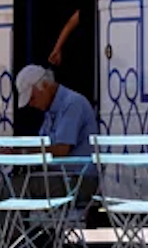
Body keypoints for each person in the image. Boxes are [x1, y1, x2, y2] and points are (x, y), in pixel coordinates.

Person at [15, 63, 98, 209]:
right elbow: (43, 144)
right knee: (14, 184)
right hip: (63, 177)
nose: (31, 104)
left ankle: (4, 231)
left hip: (77, 180)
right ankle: (11, 230)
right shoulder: (51, 109)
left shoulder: (72, 104)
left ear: (45, 86)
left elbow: (61, 149)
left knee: (16, 187)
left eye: (32, 98)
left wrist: (20, 152)